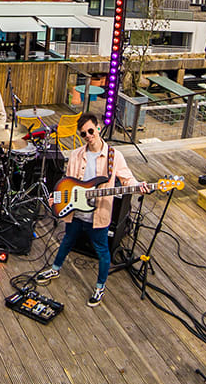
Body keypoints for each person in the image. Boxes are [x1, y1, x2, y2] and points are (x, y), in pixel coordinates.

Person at [35, 113, 151, 306]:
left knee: (102, 251)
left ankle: (100, 287)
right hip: (75, 212)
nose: (88, 136)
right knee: (67, 241)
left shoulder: (114, 156)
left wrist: (139, 185)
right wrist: (56, 198)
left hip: (98, 215)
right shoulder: (75, 155)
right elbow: (67, 183)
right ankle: (55, 268)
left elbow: (127, 179)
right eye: (84, 134)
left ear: (98, 128)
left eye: (90, 130)